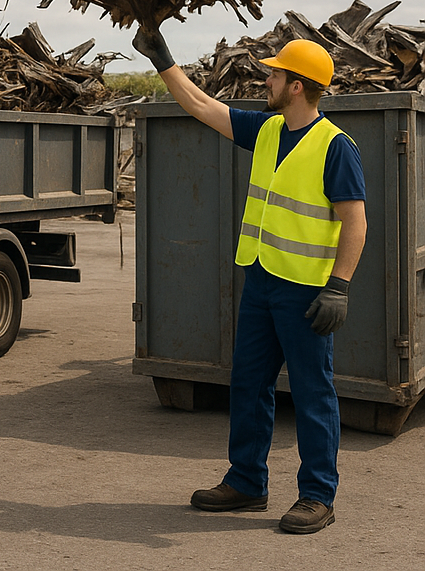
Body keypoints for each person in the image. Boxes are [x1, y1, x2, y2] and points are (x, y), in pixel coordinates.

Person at [133, 28, 367, 535]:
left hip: (307, 291)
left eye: (275, 73)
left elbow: (356, 221)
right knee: (249, 384)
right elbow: (199, 105)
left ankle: (317, 496)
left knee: (312, 393)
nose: (267, 78)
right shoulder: (266, 130)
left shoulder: (335, 147)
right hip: (261, 280)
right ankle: (246, 482)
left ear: (298, 85)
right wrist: (162, 57)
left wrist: (339, 286)